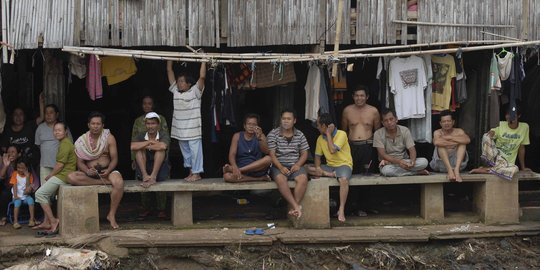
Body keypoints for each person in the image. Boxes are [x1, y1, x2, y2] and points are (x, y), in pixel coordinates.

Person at [67, 112, 124, 229]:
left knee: (118, 183)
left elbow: (114, 159)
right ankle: (105, 182)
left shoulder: (109, 138)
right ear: (88, 125)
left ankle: (111, 214)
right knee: (71, 177)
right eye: (93, 123)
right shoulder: (81, 141)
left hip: (107, 172)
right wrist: (87, 171)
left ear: (103, 125)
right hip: (91, 174)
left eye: (98, 124)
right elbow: (80, 162)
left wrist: (108, 170)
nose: (95, 126)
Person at [307, 113, 352, 222]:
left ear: (324, 126)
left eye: (318, 125)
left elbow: (332, 150)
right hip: (329, 167)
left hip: (343, 165)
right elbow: (317, 156)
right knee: (306, 168)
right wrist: (318, 168)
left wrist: (328, 134)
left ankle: (341, 209)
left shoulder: (342, 134)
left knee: (344, 180)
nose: (317, 128)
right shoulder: (319, 138)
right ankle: (330, 175)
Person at [34, 122, 77, 235]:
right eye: (55, 130)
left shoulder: (65, 144)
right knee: (44, 194)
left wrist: (50, 175)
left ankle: (53, 221)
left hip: (63, 175)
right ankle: (50, 221)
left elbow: (60, 165)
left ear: (65, 131)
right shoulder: (63, 142)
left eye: (59, 130)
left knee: (40, 194)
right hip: (63, 174)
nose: (57, 132)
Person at [167, 60, 206, 182]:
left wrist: (204, 60)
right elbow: (169, 71)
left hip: (193, 129)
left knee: (195, 153)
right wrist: (169, 59)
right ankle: (191, 173)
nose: (179, 83)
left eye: (182, 81)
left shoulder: (195, 91)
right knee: (186, 154)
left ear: (189, 83)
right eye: (178, 81)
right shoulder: (175, 92)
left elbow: (202, 76)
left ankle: (197, 173)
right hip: (180, 131)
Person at [267, 109, 310, 219]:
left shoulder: (300, 135)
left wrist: (298, 165)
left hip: (295, 165)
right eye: (283, 119)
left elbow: (305, 153)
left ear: (294, 121)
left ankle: (293, 207)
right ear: (280, 120)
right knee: (281, 179)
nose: (286, 121)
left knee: (303, 179)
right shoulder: (273, 134)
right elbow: (271, 154)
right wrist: (280, 167)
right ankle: (296, 206)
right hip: (278, 165)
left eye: (289, 119)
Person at [470, 107, 530, 180]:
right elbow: (492, 132)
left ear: (519, 116)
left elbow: (521, 148)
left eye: (513, 115)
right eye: (508, 114)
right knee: (486, 136)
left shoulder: (524, 127)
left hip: (508, 164)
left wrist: (523, 167)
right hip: (497, 158)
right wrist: (491, 133)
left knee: (515, 169)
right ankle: (491, 165)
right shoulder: (500, 124)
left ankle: (487, 170)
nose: (510, 117)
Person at [130, 112, 170, 219]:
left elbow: (163, 146)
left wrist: (145, 145)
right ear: (145, 125)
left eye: (153, 124)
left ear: (158, 125)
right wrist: (150, 142)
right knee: (138, 151)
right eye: (148, 124)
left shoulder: (163, 134)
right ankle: (145, 176)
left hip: (159, 168)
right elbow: (133, 146)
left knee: (160, 151)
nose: (150, 126)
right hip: (144, 167)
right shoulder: (141, 135)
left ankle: (152, 177)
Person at [374, 108, 429, 176]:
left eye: (391, 119)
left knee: (424, 162)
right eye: (386, 120)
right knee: (386, 171)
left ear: (396, 119)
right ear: (382, 123)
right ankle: (415, 172)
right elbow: (383, 154)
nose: (389, 122)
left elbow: (412, 149)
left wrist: (412, 162)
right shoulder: (378, 133)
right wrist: (399, 162)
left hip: (405, 161)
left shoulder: (404, 130)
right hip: (389, 164)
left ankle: (404, 171)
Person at [341, 86, 381, 174]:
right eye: (357, 95)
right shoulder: (347, 111)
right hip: (351, 147)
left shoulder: (373, 111)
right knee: (352, 173)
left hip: (368, 147)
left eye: (362, 96)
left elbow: (378, 132)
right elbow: (343, 132)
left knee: (368, 173)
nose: (359, 98)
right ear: (353, 97)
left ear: (367, 97)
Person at [223, 113, 271, 183]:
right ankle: (259, 179)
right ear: (244, 126)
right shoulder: (237, 136)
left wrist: (260, 138)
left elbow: (266, 151)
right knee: (226, 176)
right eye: (249, 124)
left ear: (257, 126)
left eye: (254, 124)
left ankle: (240, 170)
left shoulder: (261, 135)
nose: (251, 126)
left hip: (256, 169)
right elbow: (232, 154)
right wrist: (234, 166)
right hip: (241, 167)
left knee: (268, 159)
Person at [0, 145, 39, 226]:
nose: (10, 154)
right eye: (8, 152)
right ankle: (4, 217)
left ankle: (34, 218)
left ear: (19, 154)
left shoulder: (25, 163)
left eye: (13, 152)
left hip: (26, 189)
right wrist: (6, 165)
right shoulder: (6, 163)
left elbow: (34, 181)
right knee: (4, 194)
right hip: (11, 188)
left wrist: (30, 188)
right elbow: (1, 176)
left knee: (36, 195)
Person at [35, 104, 72, 186]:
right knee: (45, 189)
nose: (48, 115)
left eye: (51, 112)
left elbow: (70, 145)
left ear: (57, 114)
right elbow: (38, 145)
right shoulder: (40, 128)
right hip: (45, 164)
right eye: (46, 113)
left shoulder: (63, 128)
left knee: (59, 190)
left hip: (61, 165)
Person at [430, 110, 470, 182]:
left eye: (448, 121)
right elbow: (436, 142)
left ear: (453, 122)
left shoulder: (459, 131)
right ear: (440, 123)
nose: (446, 123)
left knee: (462, 144)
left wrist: (450, 138)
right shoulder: (437, 132)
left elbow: (467, 140)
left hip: (458, 165)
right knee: (440, 145)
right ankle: (450, 170)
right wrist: (455, 142)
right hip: (441, 165)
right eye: (444, 121)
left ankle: (456, 171)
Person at [131, 96, 169, 169]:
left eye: (149, 103)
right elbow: (134, 139)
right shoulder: (138, 121)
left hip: (158, 150)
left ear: (153, 105)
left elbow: (166, 139)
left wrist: (166, 155)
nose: (146, 106)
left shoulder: (161, 118)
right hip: (142, 153)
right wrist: (133, 158)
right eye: (144, 103)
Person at [9, 157, 37, 229]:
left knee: (31, 200)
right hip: (17, 195)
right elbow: (14, 185)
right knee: (17, 202)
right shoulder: (15, 174)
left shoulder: (29, 175)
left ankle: (31, 219)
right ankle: (15, 221)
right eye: (18, 167)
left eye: (22, 168)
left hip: (25, 195)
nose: (20, 170)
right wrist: (15, 196)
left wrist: (27, 177)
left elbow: (28, 190)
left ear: (27, 168)